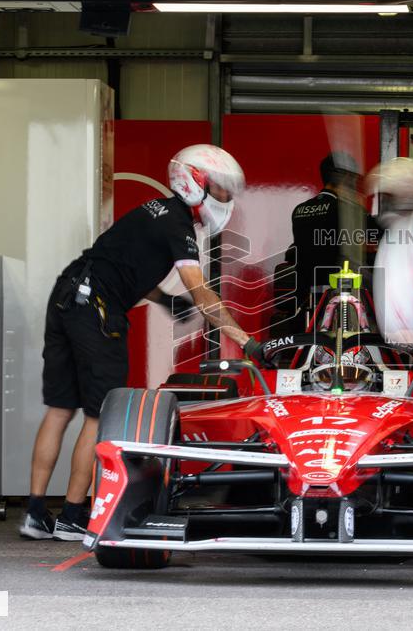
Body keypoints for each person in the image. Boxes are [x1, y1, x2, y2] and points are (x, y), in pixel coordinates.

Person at [19, 144, 263, 541]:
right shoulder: (178, 226)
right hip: (97, 309)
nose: (226, 198)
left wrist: (163, 299)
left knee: (61, 409)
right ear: (196, 183)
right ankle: (72, 514)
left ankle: (34, 513)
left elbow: (122, 266)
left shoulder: (154, 211)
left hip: (68, 294)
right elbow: (203, 294)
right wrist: (249, 343)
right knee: (99, 415)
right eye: (221, 189)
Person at [285, 152, 377, 326]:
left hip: (305, 300)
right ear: (346, 178)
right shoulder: (347, 209)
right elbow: (381, 233)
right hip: (341, 300)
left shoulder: (299, 210)